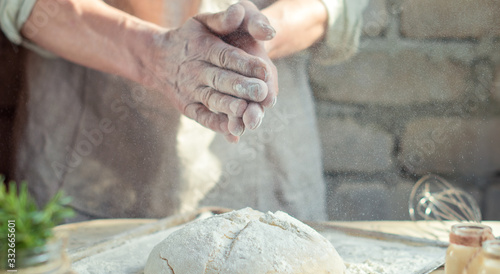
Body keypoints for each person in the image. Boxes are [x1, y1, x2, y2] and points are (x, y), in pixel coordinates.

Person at [6, 0, 367, 222]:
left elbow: (338, 5)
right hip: (81, 143)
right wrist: (152, 54)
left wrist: (251, 42)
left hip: (259, 157)